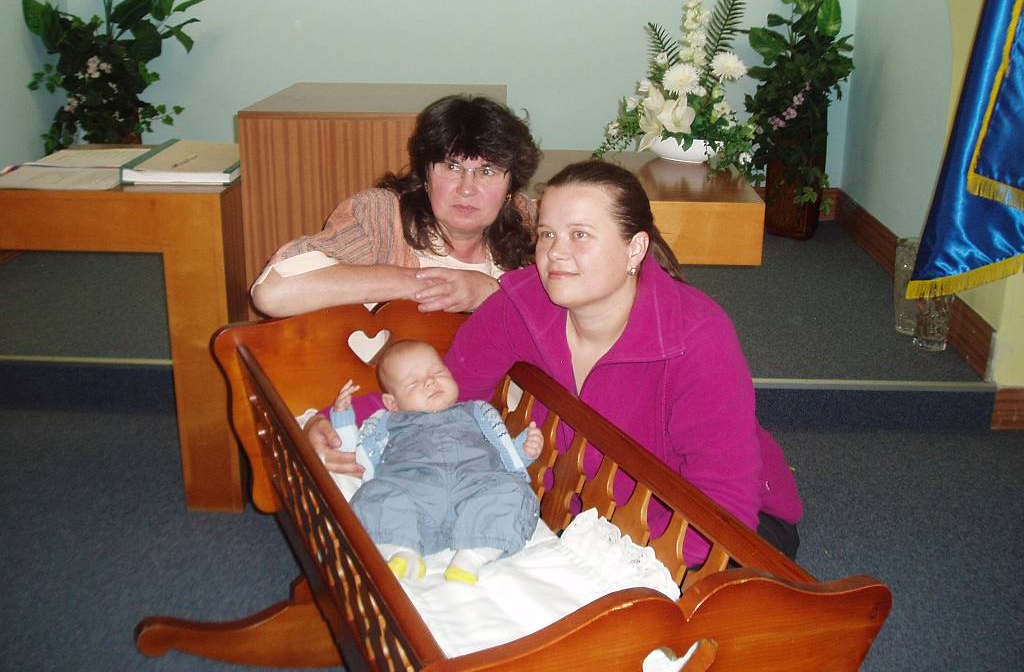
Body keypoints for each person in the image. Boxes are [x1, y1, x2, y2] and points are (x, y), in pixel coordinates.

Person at [314, 160, 803, 567]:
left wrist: (639, 575)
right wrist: (336, 422)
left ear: (635, 248)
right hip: (597, 511)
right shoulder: (523, 304)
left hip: (722, 530)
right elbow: (450, 385)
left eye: (580, 235)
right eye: (547, 234)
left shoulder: (695, 335)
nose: (555, 254)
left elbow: (723, 503)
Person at [250, 94, 541, 317]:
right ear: (426, 174)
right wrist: (424, 285)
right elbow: (273, 291)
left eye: (487, 171)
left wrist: (490, 291)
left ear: (511, 187)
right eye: (451, 167)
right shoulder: (381, 216)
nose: (466, 188)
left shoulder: (532, 222)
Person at [328, 339, 544, 584]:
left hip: (474, 492)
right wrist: (343, 421)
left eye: (438, 372)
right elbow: (356, 457)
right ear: (392, 404)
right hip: (414, 500)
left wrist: (524, 450)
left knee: (513, 491)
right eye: (414, 383)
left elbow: (504, 454)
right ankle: (402, 551)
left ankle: (471, 557)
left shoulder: (476, 412)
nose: (430, 381)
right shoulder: (386, 424)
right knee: (374, 495)